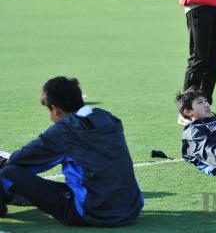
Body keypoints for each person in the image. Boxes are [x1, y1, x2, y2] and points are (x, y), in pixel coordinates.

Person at [0, 77, 143, 226]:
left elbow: (19, 160)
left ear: (56, 110)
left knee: (8, 173)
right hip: (132, 208)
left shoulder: (65, 130)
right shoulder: (108, 118)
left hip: (92, 213)